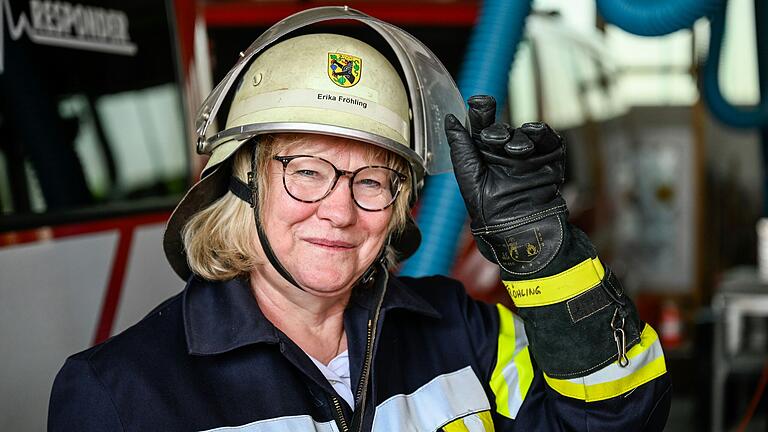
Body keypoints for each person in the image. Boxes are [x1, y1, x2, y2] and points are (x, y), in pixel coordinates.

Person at [48, 7, 670, 431]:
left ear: (398, 204)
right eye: (307, 171)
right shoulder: (119, 393)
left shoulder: (462, 331)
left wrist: (546, 253)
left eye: (372, 179)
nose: (340, 211)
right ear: (243, 180)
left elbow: (619, 419)